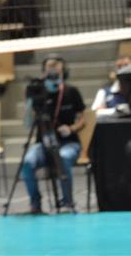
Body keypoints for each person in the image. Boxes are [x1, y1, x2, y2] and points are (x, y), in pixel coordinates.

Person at [21, 55, 85, 213]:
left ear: (64, 71)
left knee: (63, 157)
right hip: (43, 145)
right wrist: (30, 101)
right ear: (43, 72)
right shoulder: (38, 93)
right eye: (49, 67)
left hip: (68, 143)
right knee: (27, 162)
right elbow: (27, 123)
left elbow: (83, 119)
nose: (53, 69)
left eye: (56, 66)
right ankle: (35, 204)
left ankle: (67, 203)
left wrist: (71, 128)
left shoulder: (71, 91)